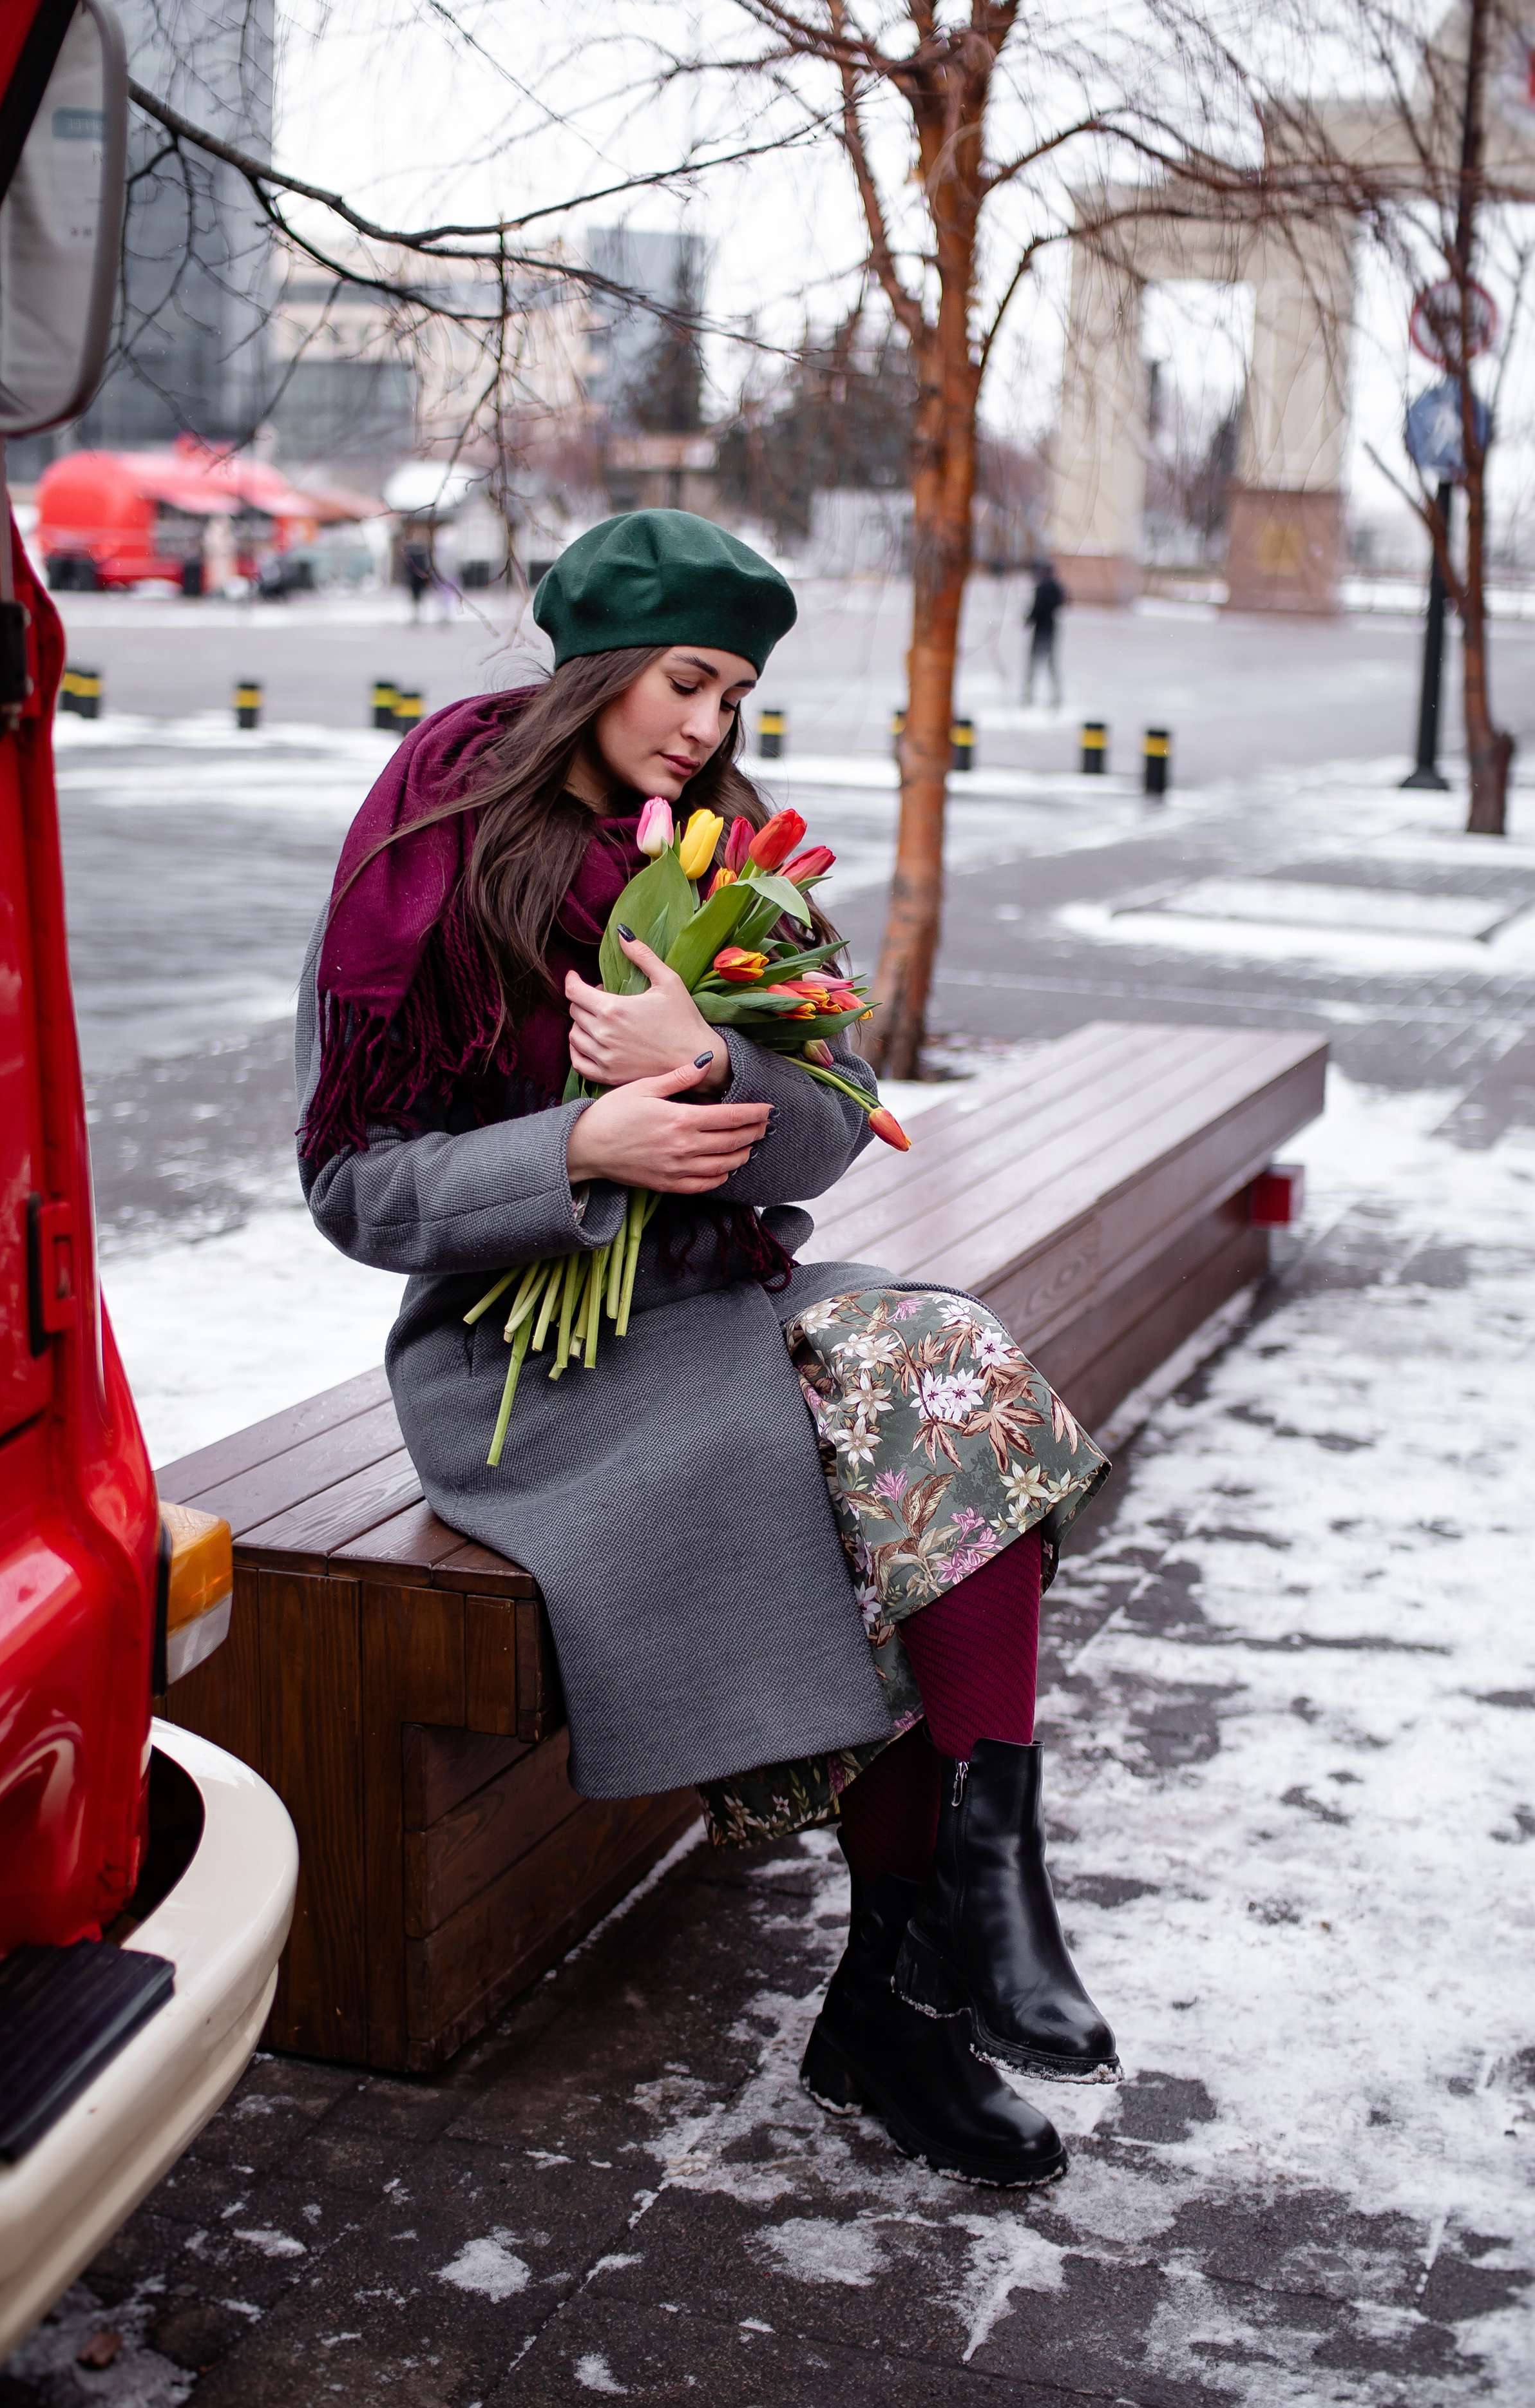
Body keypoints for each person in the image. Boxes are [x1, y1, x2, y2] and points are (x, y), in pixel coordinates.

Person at [297, 509, 1119, 2188]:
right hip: (525, 1359)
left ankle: (959, 1916)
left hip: (730, 1295)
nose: (709, 723)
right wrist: (580, 1152)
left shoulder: (731, 856)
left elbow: (839, 1118)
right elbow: (349, 1187)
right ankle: (908, 2001)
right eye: (686, 681)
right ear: (597, 669)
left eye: (734, 691)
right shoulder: (435, 845)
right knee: (842, 1502)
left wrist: (716, 1068)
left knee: (945, 1372)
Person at [1023, 558, 1066, 706]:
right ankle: (1056, 696)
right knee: (1051, 665)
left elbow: (1037, 609)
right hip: (1051, 630)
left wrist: (1028, 620)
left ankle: (1028, 695)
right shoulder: (1056, 587)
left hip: (1041, 631)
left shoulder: (1042, 588)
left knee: (1034, 665)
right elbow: (1063, 602)